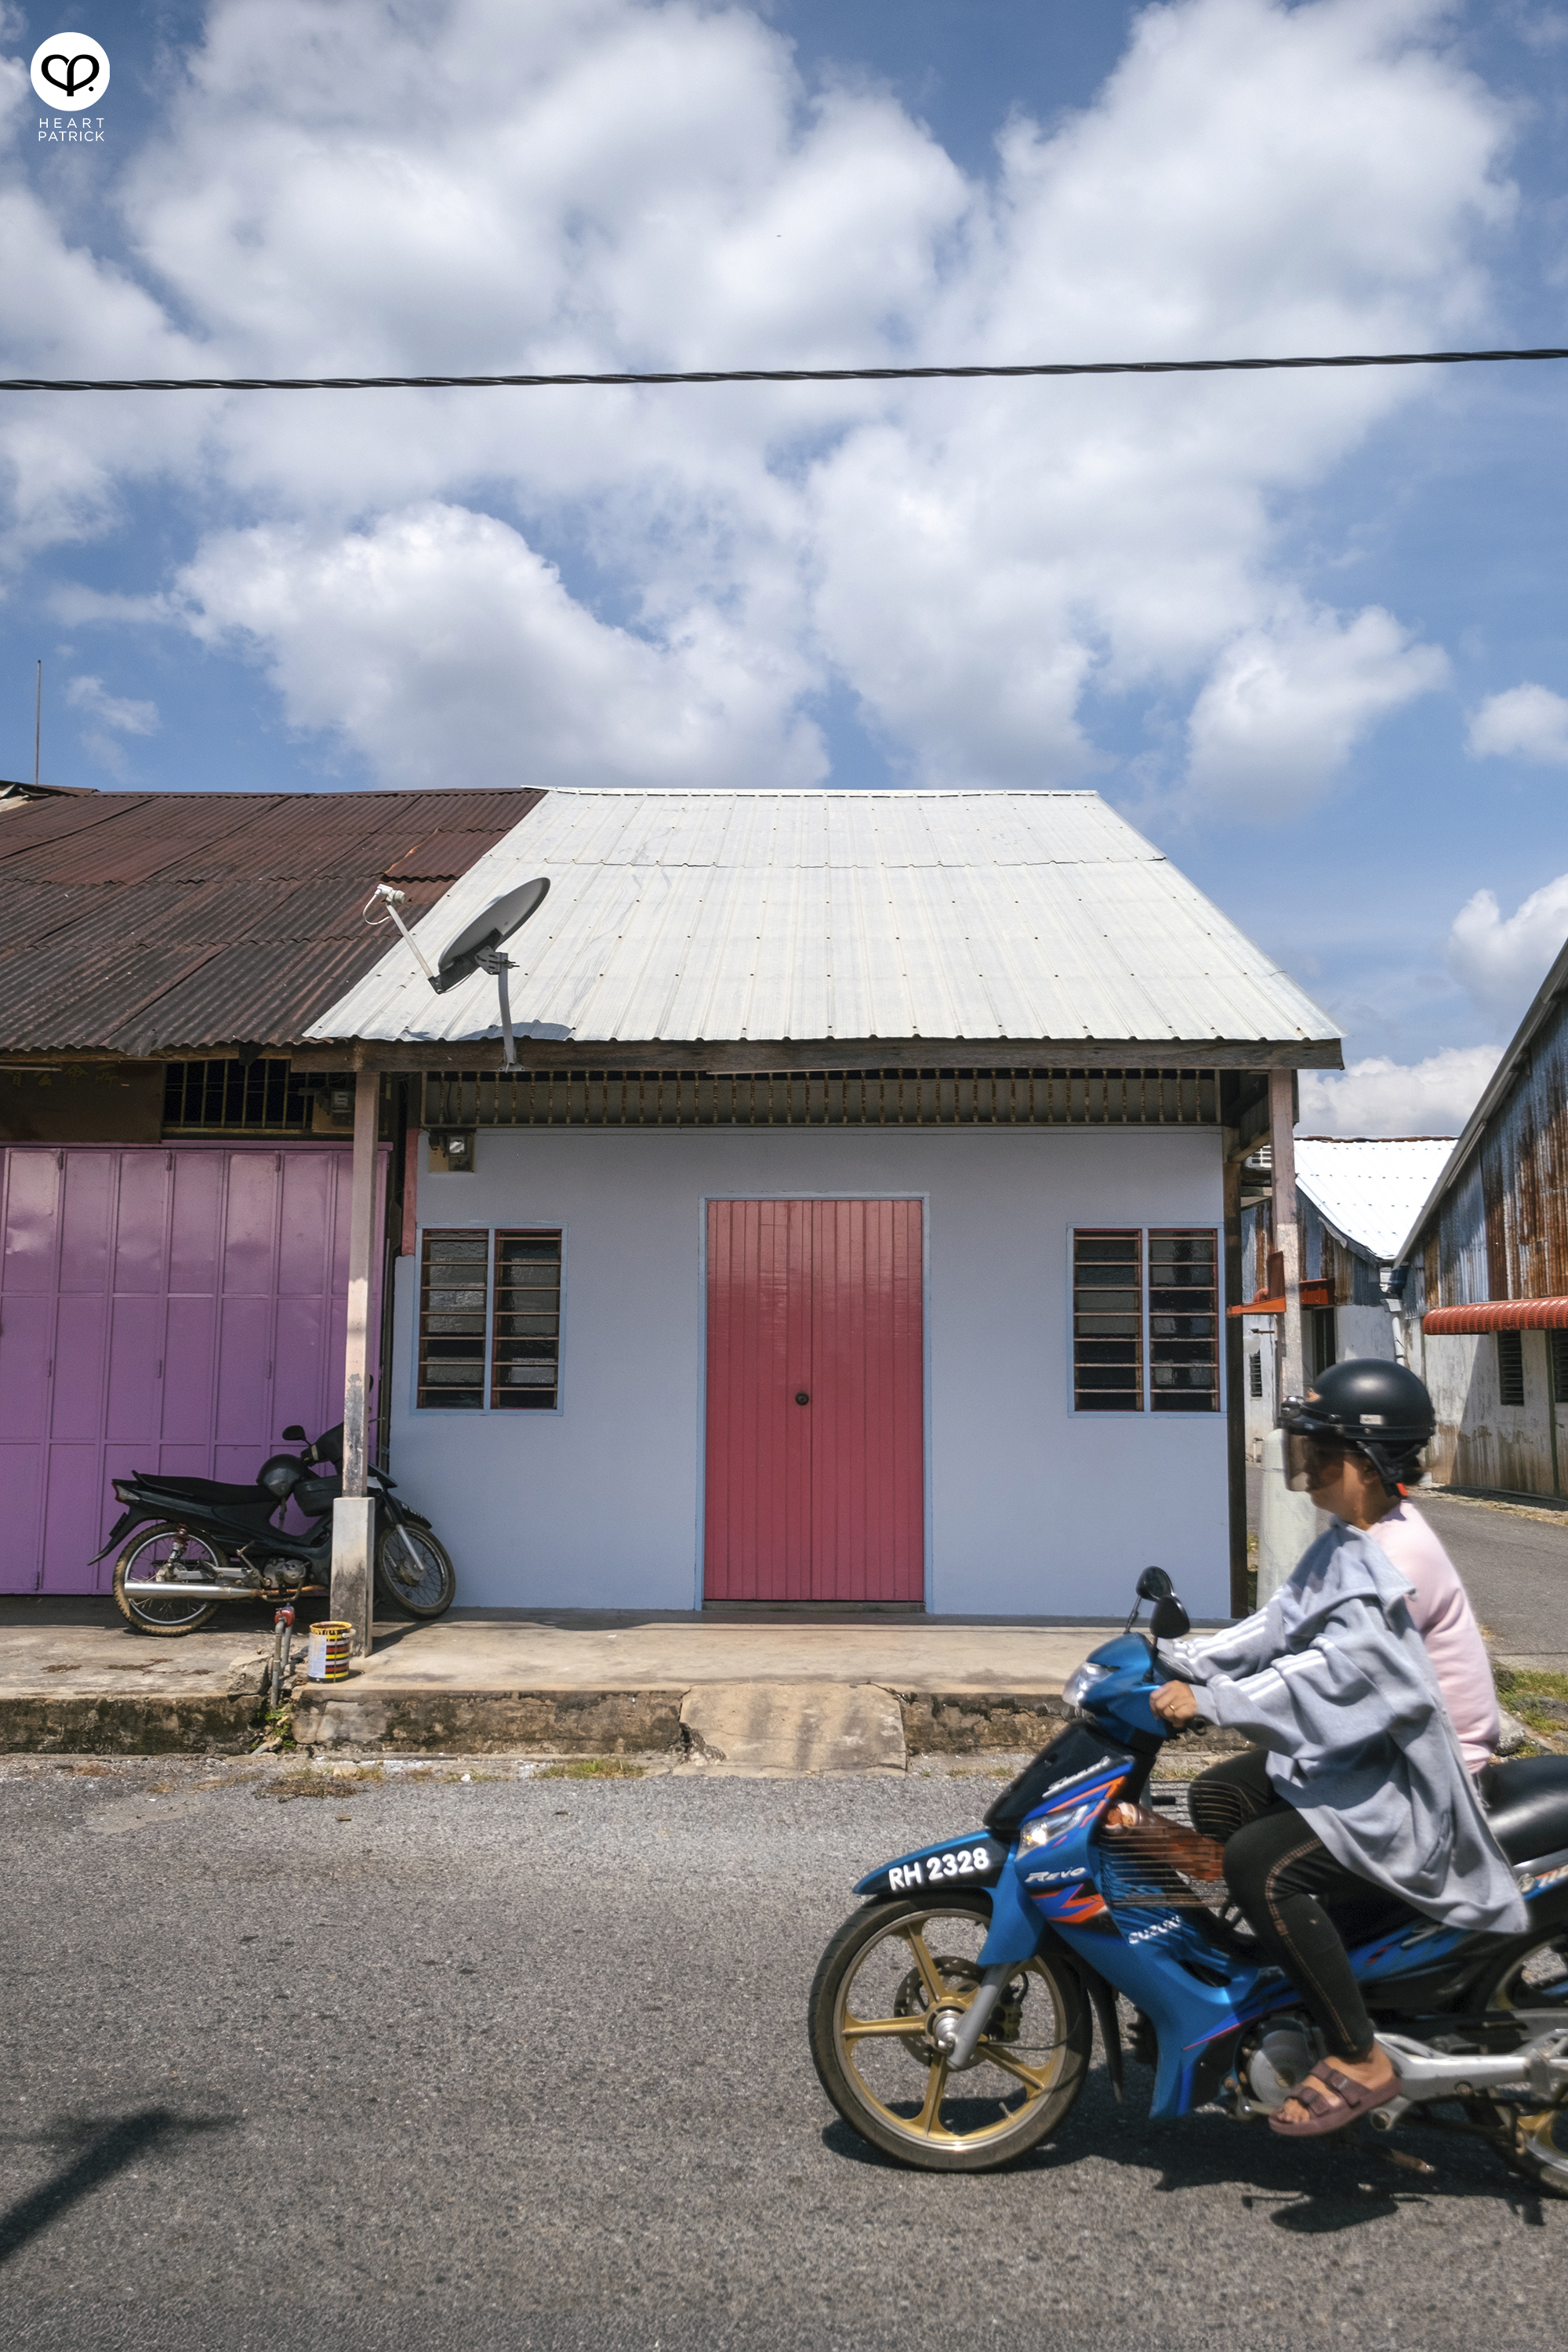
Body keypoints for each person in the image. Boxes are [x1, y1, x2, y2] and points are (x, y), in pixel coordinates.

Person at [1150, 1359, 1526, 2139]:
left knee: (1260, 1861)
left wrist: (1216, 1701)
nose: (1306, 1464)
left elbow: (1335, 1674)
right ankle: (1308, 1961)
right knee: (1220, 1796)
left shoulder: (1396, 1556)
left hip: (1427, 1774)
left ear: (1367, 1460)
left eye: (1320, 1450)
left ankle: (1359, 2055)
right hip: (1380, 1753)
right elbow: (1280, 1623)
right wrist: (1183, 1663)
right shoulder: (1351, 1535)